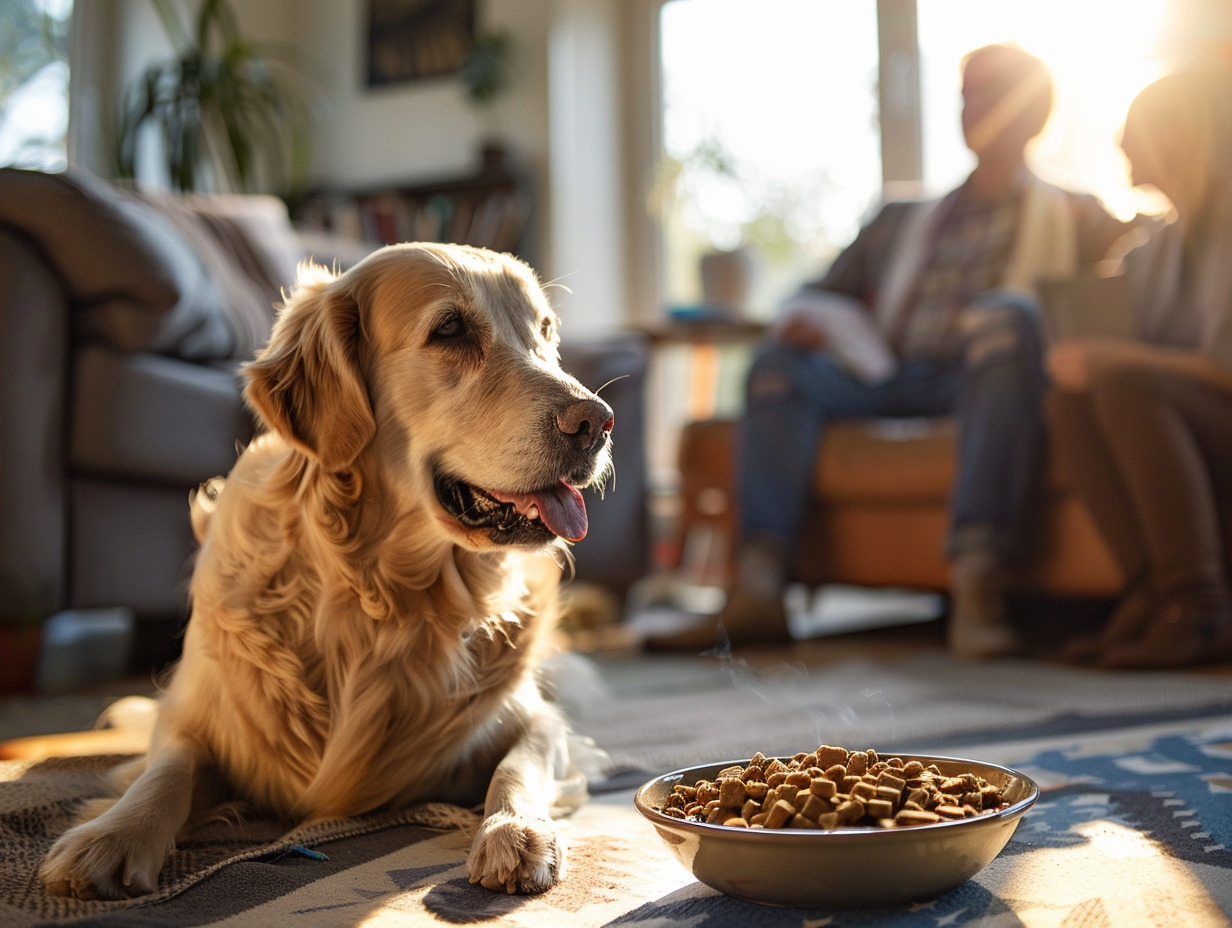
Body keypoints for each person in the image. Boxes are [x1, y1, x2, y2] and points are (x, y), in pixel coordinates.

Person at [647, 43, 1135, 656]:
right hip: (885, 373)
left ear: (1038, 114)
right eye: (967, 94)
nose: (975, 105)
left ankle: (980, 579)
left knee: (1009, 321)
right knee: (778, 365)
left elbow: (1136, 291)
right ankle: (760, 583)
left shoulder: (1081, 215)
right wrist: (805, 321)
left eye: (994, 91)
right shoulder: (902, 219)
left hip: (986, 378)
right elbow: (815, 293)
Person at [1047, 67, 1232, 669]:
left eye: (1135, 133)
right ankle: (1152, 590)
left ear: (1181, 135)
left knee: (1122, 379)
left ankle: (1197, 601)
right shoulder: (1159, 246)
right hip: (1196, 425)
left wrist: (1115, 357)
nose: (1121, 150)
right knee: (1071, 396)